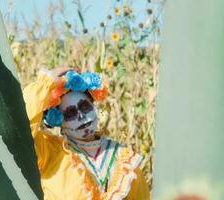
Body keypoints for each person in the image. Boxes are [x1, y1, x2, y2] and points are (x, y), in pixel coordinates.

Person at [23, 67, 150, 200]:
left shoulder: (124, 160)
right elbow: (18, 127)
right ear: (59, 120)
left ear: (94, 107)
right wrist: (46, 83)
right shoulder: (50, 153)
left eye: (85, 107)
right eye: (71, 113)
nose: (81, 117)